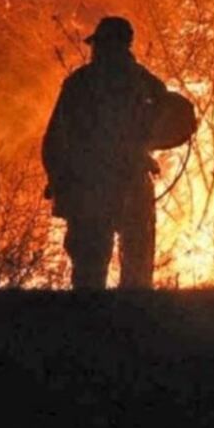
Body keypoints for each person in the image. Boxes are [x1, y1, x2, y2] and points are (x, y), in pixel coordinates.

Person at [42, 16, 168, 289]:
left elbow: (54, 138)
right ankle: (138, 324)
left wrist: (58, 179)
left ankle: (91, 325)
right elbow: (171, 115)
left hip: (90, 187)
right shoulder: (144, 82)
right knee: (136, 269)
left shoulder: (80, 82)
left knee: (89, 272)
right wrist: (144, 149)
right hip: (130, 183)